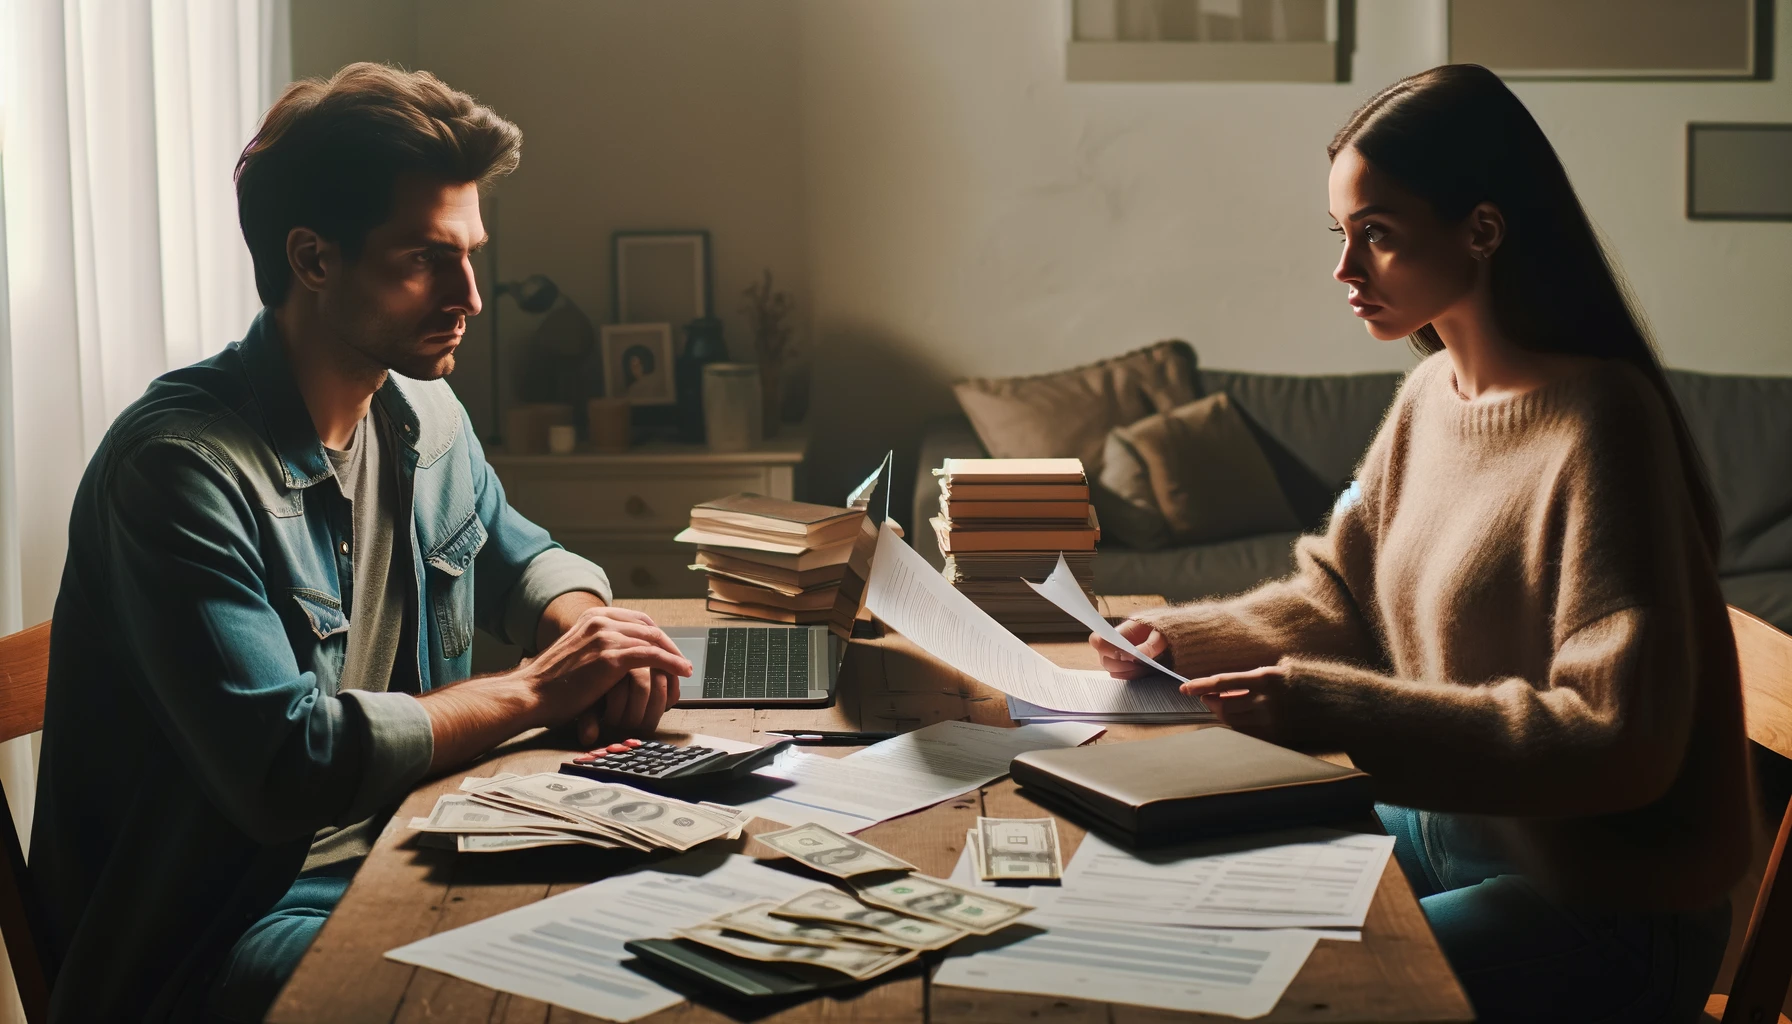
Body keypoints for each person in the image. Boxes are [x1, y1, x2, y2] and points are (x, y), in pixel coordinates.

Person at [31, 63, 694, 1023]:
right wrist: (541, 689)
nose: (469, 294)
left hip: (410, 840)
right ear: (312, 259)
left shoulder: (422, 408)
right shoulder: (177, 472)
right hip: (217, 937)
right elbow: (286, 765)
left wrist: (592, 626)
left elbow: (518, 553)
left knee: (663, 911)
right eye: (424, 259)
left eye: (472, 253)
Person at [1092, 65, 1749, 1023]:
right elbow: (1338, 599)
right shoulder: (1428, 400)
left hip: (1601, 908)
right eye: (1342, 236)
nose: (1345, 269)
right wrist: (1180, 641)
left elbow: (1618, 741)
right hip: (1457, 834)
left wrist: (1332, 712)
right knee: (1169, 897)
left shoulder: (1603, 423)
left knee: (1266, 993)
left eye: (1378, 235)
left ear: (1482, 229)